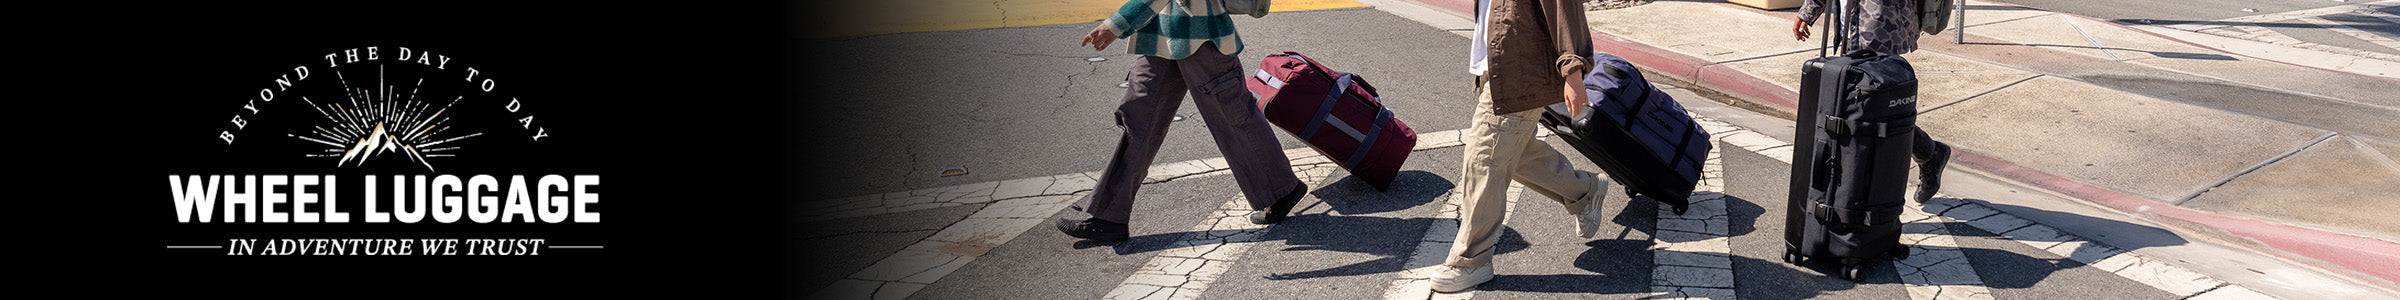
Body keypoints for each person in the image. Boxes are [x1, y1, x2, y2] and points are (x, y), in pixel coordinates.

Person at [1056, 0, 1309, 243]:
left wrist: (1115, 26)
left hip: (1200, 35)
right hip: (1159, 35)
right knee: (1137, 120)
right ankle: (1109, 216)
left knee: (1234, 118)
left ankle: (1281, 190)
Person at [1427, 0, 1610, 292]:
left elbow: (1564, 8)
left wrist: (1573, 72)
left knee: (1484, 158)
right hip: (1496, 64)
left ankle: (1471, 260)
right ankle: (1583, 191)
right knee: (1516, 152)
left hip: (1520, 72)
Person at [1793, 0, 1954, 203]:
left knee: (1870, 108)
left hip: (1881, 26)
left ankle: (1859, 194)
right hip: (1850, 24)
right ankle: (1929, 154)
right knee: (1861, 109)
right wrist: (1809, 10)